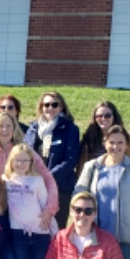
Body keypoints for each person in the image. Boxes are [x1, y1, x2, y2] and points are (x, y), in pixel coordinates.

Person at [75, 125, 130, 259]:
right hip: (96, 235)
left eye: (120, 143)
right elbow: (78, 195)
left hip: (126, 238)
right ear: (105, 143)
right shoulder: (92, 167)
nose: (115, 146)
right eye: (111, 142)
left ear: (127, 145)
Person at [0, 112, 58, 222]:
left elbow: (48, 178)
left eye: (8, 126)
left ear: (14, 128)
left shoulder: (25, 151)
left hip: (26, 212)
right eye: (1, 126)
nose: (5, 130)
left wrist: (50, 208)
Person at [24, 91, 80, 228]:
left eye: (54, 105)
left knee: (56, 228)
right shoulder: (33, 128)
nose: (50, 108)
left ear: (61, 107)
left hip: (60, 187)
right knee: (36, 226)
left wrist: (47, 177)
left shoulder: (69, 129)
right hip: (34, 186)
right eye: (46, 104)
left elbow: (71, 160)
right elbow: (25, 154)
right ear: (41, 107)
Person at [78, 100, 130, 174]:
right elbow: (81, 167)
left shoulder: (126, 139)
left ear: (114, 117)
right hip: (93, 181)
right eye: (99, 116)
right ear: (95, 118)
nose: (103, 119)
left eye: (107, 116)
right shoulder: (88, 139)